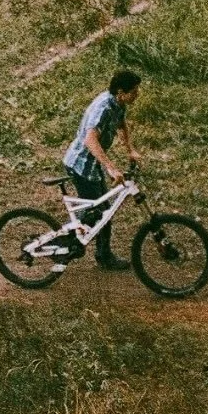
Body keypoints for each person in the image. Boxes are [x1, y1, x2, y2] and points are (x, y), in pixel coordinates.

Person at [62, 69, 142, 270]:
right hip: (81, 165)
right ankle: (77, 244)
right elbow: (90, 139)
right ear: (120, 92)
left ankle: (84, 243)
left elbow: (121, 124)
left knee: (100, 210)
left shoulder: (118, 104)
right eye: (133, 91)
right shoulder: (103, 107)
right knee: (101, 211)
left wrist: (131, 150)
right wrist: (111, 168)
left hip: (91, 165)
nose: (137, 94)